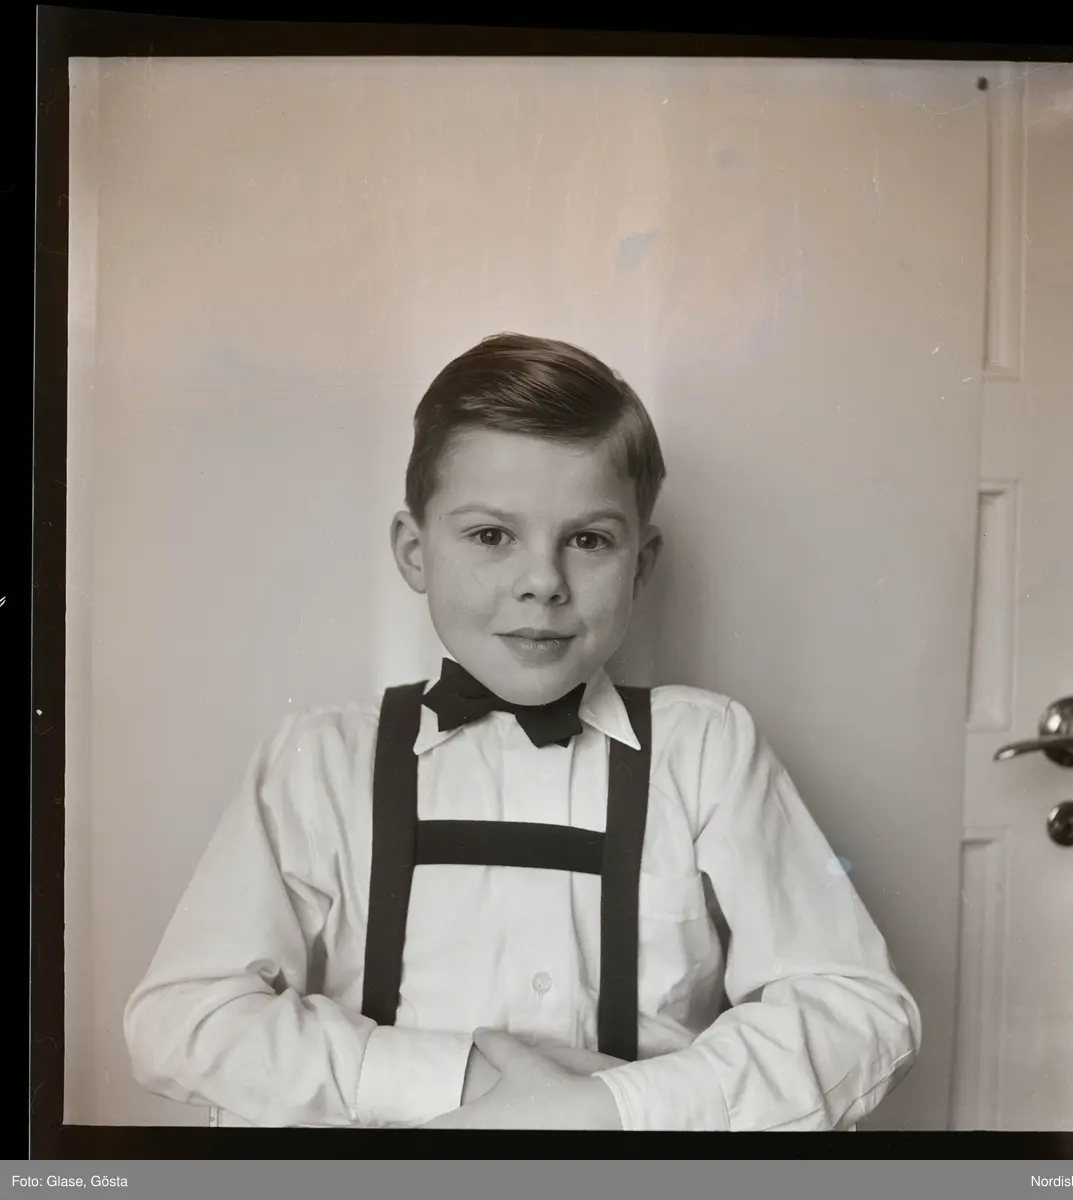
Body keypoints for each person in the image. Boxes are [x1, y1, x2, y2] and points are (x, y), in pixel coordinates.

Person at [123, 332, 921, 1131]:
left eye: (587, 540)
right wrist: (465, 1083)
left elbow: (857, 1011)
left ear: (640, 565)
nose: (542, 582)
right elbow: (185, 1018)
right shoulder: (320, 763)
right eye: (491, 536)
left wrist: (608, 1109)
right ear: (414, 552)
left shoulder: (708, 751)